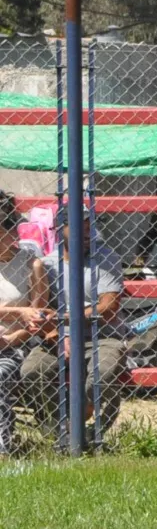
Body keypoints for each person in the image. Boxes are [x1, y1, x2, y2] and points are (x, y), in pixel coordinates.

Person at [21, 212, 130, 441]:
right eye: (80, 227)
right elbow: (41, 312)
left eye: (90, 227)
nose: (88, 233)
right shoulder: (48, 264)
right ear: (60, 230)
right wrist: (56, 334)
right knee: (32, 370)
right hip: (60, 338)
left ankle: (88, 431)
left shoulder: (106, 258)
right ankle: (58, 433)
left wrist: (63, 319)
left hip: (103, 337)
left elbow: (108, 308)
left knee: (103, 372)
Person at [0, 193, 53, 456]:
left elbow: (38, 317)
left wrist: (12, 338)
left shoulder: (32, 265)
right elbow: (25, 311)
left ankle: (2, 447)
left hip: (14, 347)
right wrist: (19, 310)